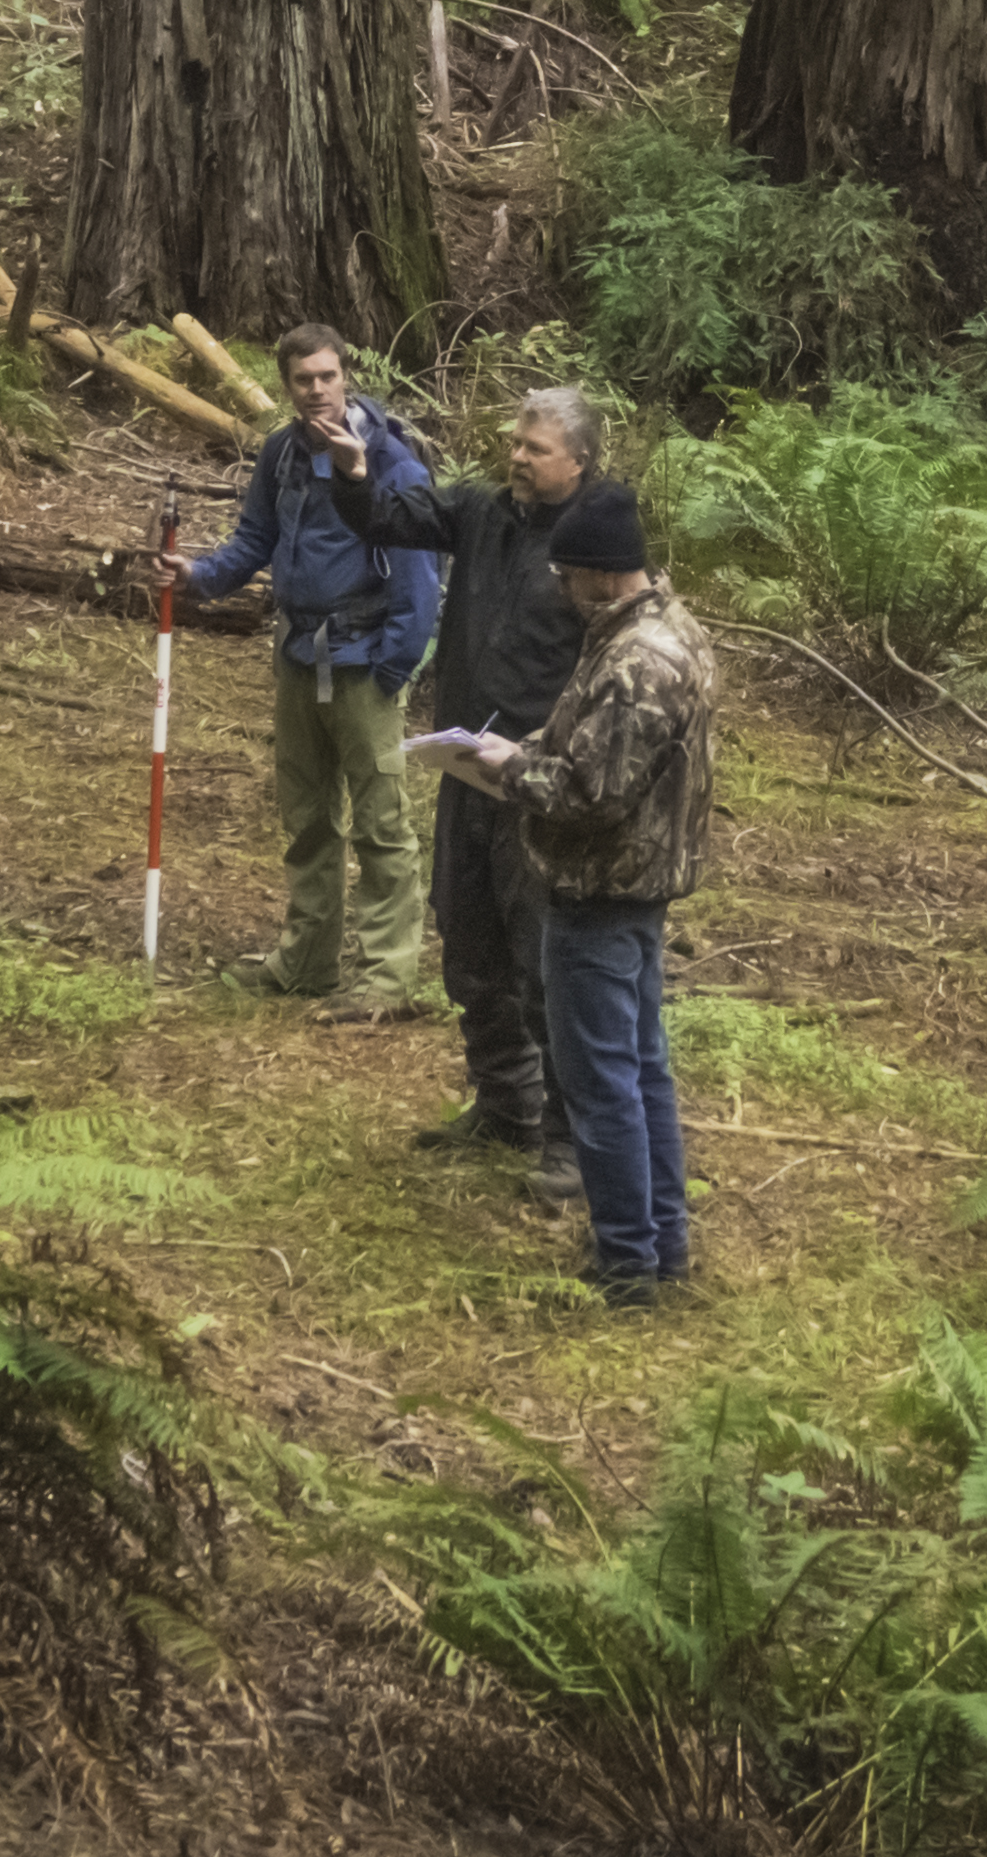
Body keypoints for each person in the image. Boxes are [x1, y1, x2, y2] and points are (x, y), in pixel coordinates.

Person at [419, 479, 712, 1302]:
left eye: (568, 575)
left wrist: (514, 772)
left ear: (604, 573)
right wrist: (525, 745)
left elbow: (591, 792)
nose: (560, 590)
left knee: (603, 1083)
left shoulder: (636, 662)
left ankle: (626, 1266)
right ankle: (663, 1248)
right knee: (642, 1070)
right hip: (633, 885)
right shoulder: (656, 631)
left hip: (600, 888)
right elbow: (590, 741)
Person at [168, 327, 444, 1010]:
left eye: (327, 376)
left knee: (382, 825)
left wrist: (393, 670)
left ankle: (385, 975)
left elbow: (420, 581)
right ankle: (308, 959)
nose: (317, 389)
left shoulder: (392, 463)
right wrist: (199, 577)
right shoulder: (282, 455)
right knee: (307, 817)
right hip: (297, 655)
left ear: (344, 376)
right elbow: (256, 538)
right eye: (303, 379)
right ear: (288, 386)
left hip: (364, 663)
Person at [363, 387, 600, 1170]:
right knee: (468, 941)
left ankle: (568, 1140)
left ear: (580, 460)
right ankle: (506, 1106)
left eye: (536, 449)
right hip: (465, 765)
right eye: (516, 443)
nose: (518, 458)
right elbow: (395, 518)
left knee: (541, 964)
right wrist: (353, 468)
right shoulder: (482, 512)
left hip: (538, 785)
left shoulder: (597, 541)